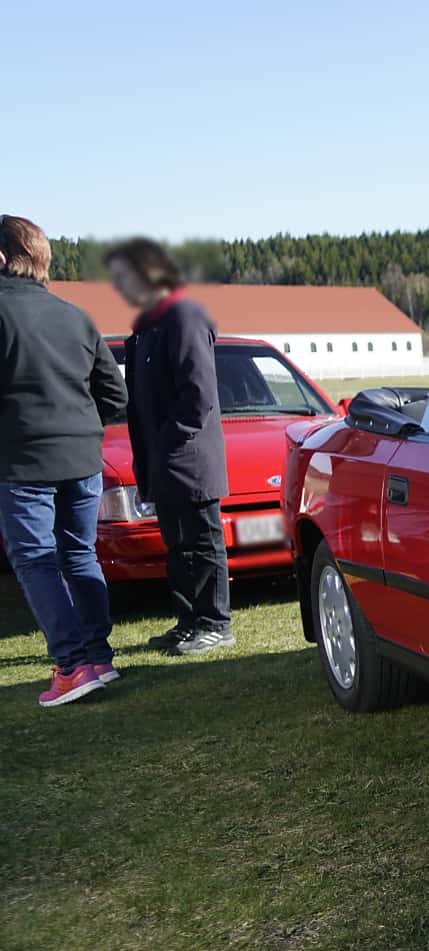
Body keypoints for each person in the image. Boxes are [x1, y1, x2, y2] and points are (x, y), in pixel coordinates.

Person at [0, 215, 129, 706]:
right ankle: (97, 657)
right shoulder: (75, 315)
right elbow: (114, 396)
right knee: (79, 555)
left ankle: (73, 666)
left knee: (35, 560)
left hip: (23, 459)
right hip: (82, 456)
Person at [106, 238, 233, 655]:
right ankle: (188, 621)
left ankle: (215, 622)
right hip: (163, 460)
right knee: (178, 546)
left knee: (202, 541)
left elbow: (197, 394)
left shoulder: (183, 316)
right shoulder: (147, 325)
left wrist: (169, 442)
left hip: (188, 458)